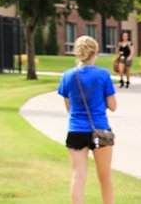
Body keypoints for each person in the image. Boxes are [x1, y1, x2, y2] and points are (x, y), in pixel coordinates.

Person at [57, 36, 117, 204]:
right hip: (100, 129)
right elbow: (113, 106)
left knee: (78, 175)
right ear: (95, 53)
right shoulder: (103, 75)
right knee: (104, 177)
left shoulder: (68, 76)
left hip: (76, 129)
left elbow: (69, 107)